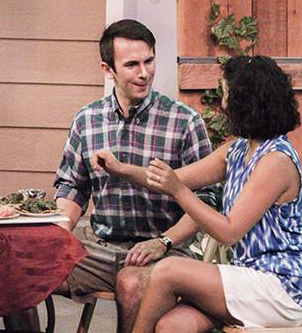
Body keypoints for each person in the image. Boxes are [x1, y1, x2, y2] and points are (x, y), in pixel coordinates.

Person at [127, 56, 302, 332]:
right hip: (246, 279)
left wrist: (177, 191)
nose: (223, 104)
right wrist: (119, 168)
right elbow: (170, 179)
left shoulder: (276, 160)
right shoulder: (237, 150)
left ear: (245, 102)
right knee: (173, 326)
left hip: (282, 288)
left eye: (226, 94)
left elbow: (229, 232)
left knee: (168, 271)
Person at [53, 19, 214, 333]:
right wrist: (59, 234)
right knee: (21, 271)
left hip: (162, 250)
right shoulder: (87, 120)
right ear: (107, 69)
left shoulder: (184, 121)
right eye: (131, 65)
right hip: (98, 248)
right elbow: (72, 186)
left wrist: (163, 242)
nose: (144, 73)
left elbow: (206, 201)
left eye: (149, 61)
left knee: (130, 284)